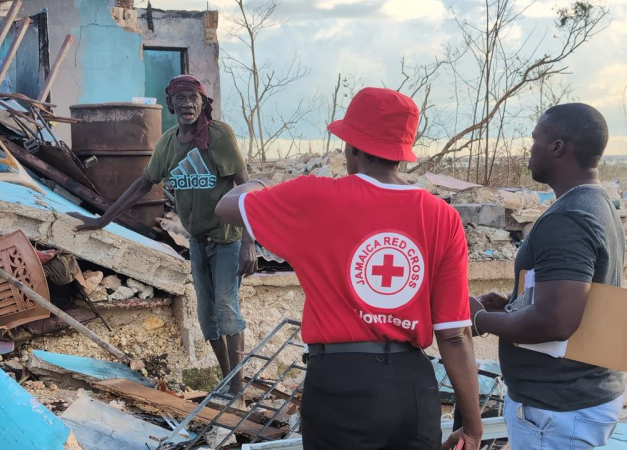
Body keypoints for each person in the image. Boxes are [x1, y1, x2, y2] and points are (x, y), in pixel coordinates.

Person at [215, 87, 482, 449]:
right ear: (401, 154)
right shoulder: (442, 216)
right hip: (413, 386)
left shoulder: (314, 198)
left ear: (352, 146)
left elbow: (226, 206)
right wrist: (472, 428)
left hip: (341, 382)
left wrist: (259, 183)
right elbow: (453, 334)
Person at [69, 75, 256, 396]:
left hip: (227, 239)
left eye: (193, 98)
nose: (187, 104)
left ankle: (236, 389)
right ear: (170, 104)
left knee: (226, 310)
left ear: (202, 103)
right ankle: (228, 382)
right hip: (198, 242)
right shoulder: (168, 143)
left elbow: (245, 186)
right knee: (207, 319)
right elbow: (143, 184)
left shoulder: (219, 136)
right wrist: (102, 221)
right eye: (180, 98)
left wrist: (250, 242)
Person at [469, 103, 625, 449]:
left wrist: (480, 319)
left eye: (535, 138)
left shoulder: (568, 218)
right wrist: (512, 306)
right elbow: (578, 299)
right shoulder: (599, 206)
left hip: (557, 409)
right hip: (574, 399)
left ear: (557, 147)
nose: (530, 146)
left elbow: (557, 321)